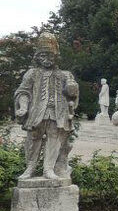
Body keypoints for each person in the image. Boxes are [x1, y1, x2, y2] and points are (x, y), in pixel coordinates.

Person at [14, 32, 80, 179]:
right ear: (37, 57)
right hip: (36, 112)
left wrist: (72, 87)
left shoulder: (64, 75)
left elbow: (72, 94)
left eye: (50, 56)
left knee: (54, 139)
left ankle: (48, 169)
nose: (46, 59)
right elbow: (23, 92)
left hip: (57, 112)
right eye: (43, 56)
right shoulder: (32, 74)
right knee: (33, 139)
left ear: (56, 56)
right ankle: (30, 168)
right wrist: (23, 107)